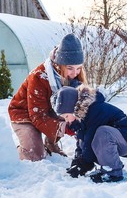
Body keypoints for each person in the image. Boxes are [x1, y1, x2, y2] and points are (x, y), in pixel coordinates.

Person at [8, 33, 88, 161]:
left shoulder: (73, 77)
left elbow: (78, 109)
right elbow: (37, 115)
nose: (75, 73)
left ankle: (51, 144)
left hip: (48, 110)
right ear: (60, 64)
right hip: (24, 114)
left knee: (68, 110)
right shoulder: (39, 76)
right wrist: (66, 128)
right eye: (70, 68)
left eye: (78, 68)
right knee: (35, 156)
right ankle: (11, 152)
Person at [51, 85, 127, 183]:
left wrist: (84, 163)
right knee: (85, 139)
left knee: (102, 132)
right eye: (64, 118)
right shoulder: (80, 118)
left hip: (126, 138)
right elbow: (82, 142)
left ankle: (112, 172)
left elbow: (90, 139)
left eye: (67, 116)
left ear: (74, 108)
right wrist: (77, 164)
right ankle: (107, 166)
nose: (66, 120)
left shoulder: (95, 109)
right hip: (111, 141)